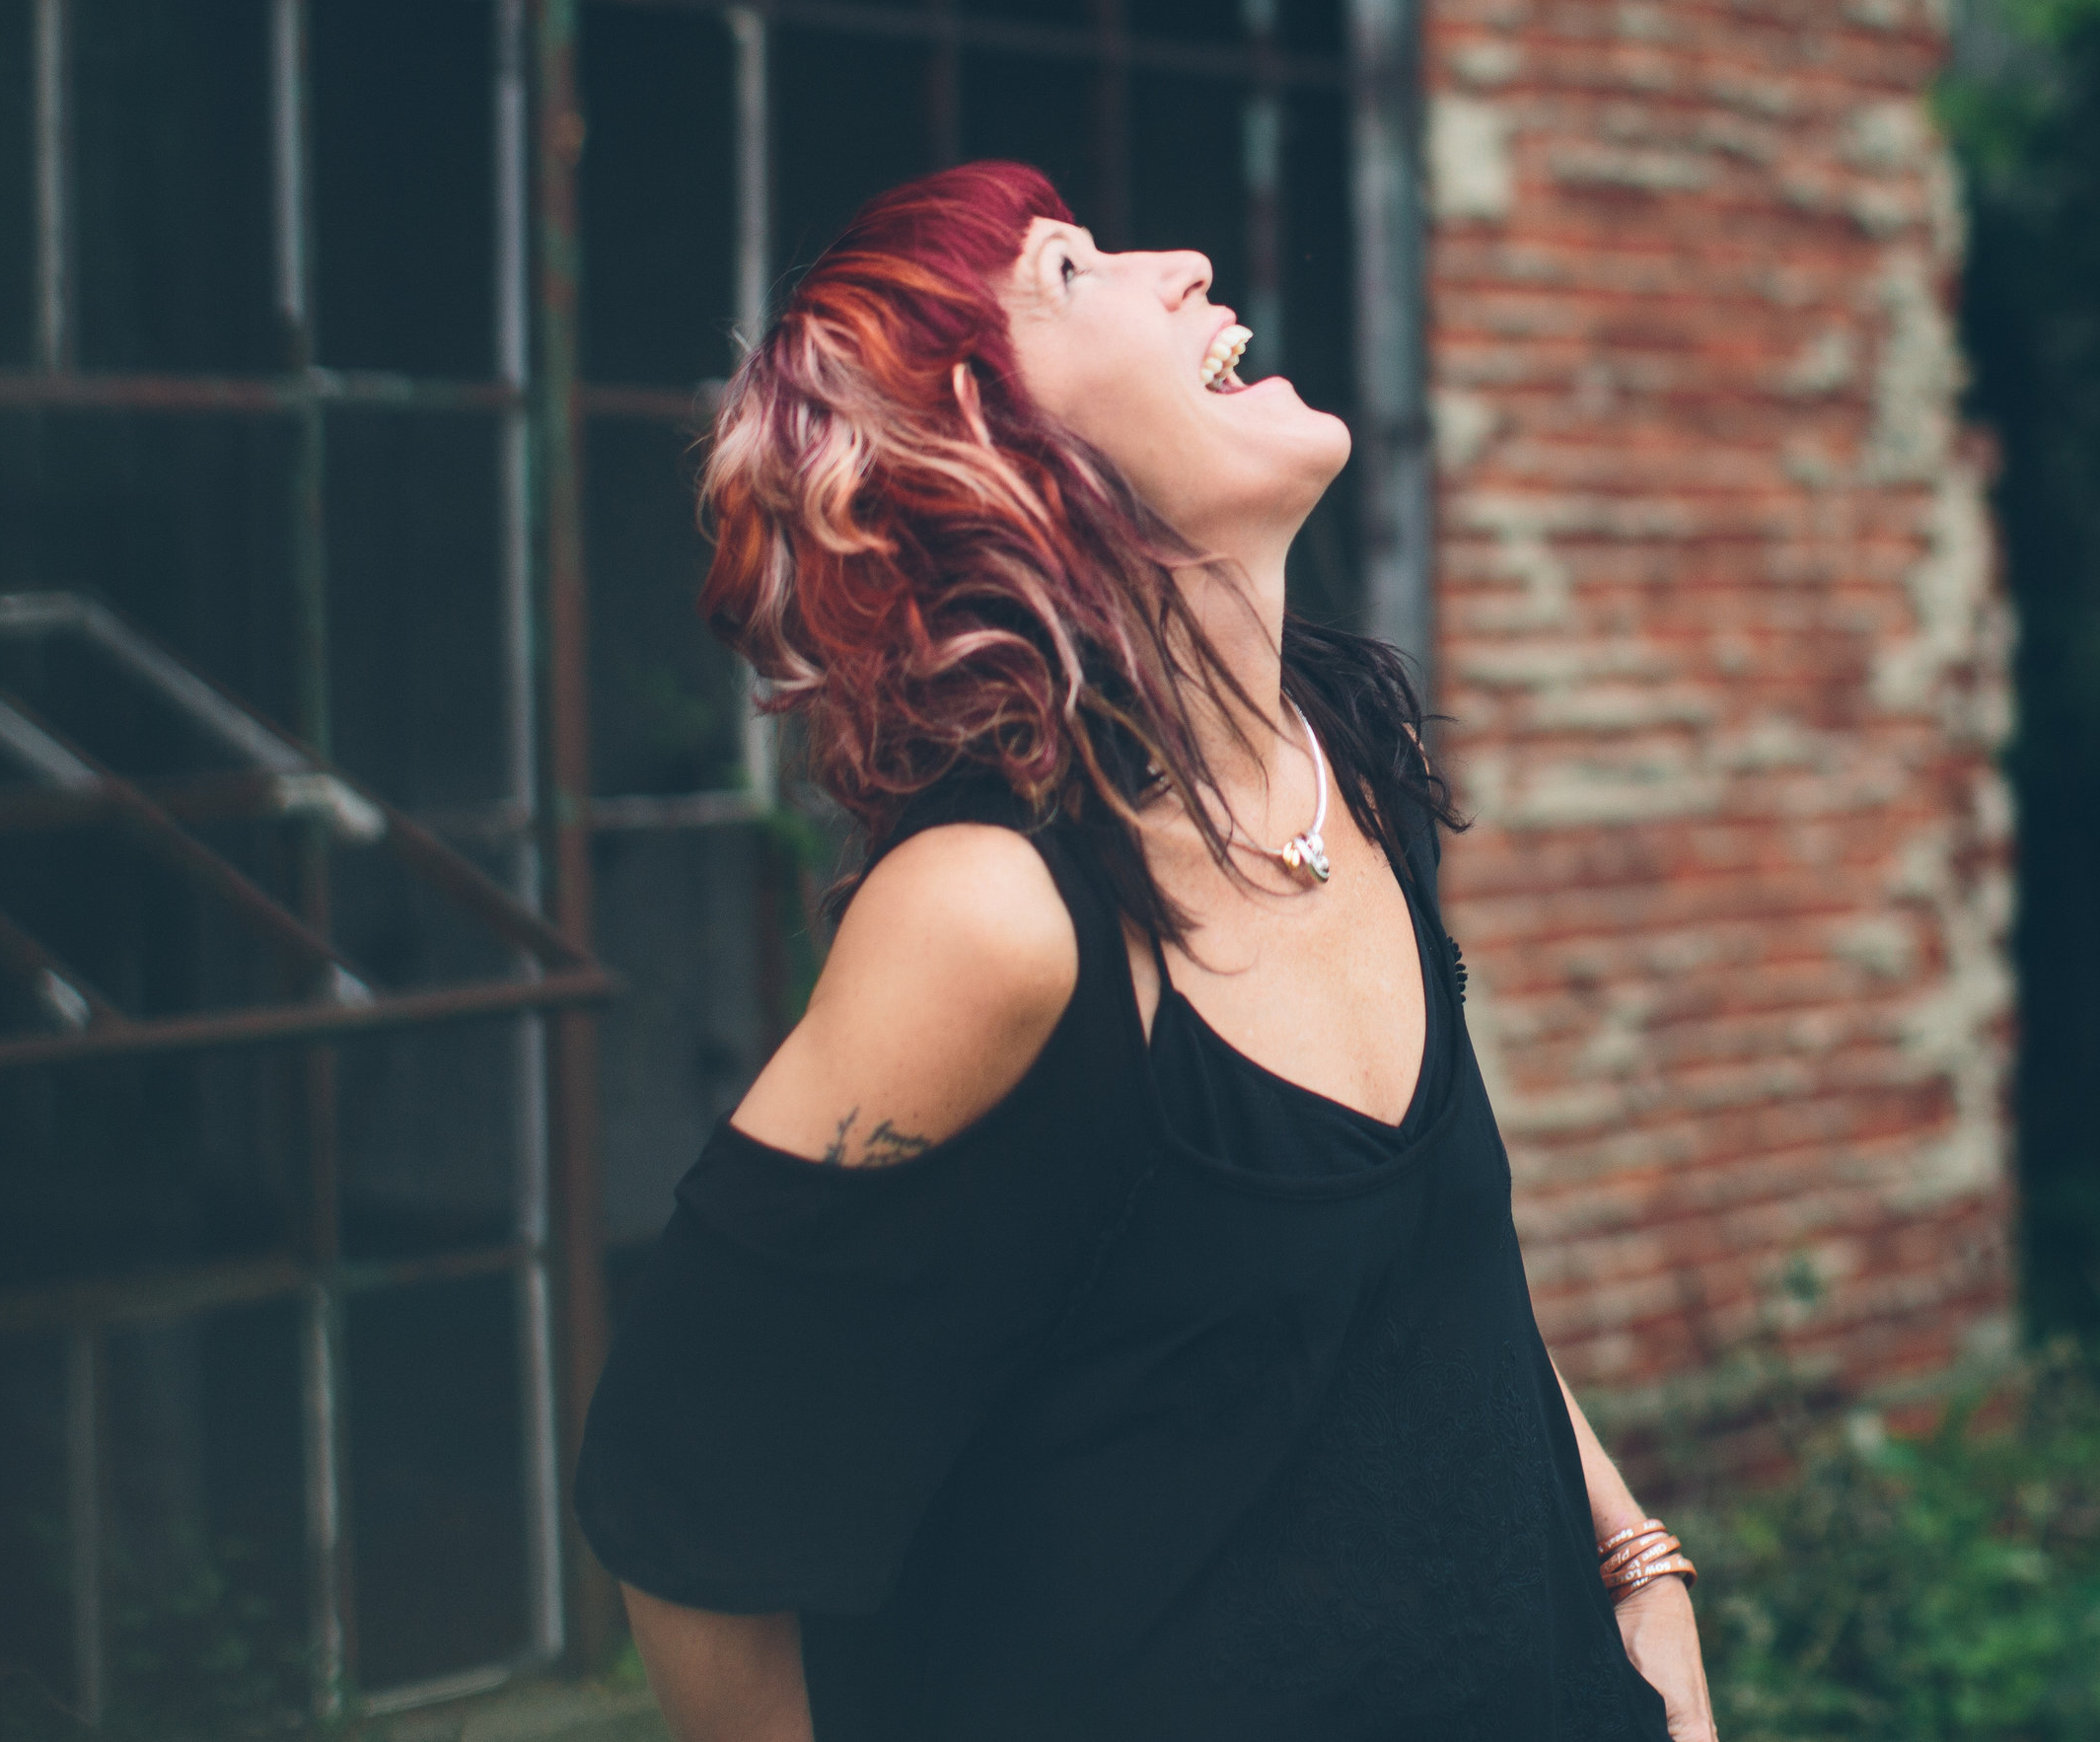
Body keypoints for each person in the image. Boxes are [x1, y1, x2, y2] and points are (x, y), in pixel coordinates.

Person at [574, 162, 1716, 1742]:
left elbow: (1432, 1267)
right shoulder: (995, 914)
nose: (1180, 261)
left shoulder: (1341, 759)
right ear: (993, 457)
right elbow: (686, 1481)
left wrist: (1640, 1571)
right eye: (1068, 268)